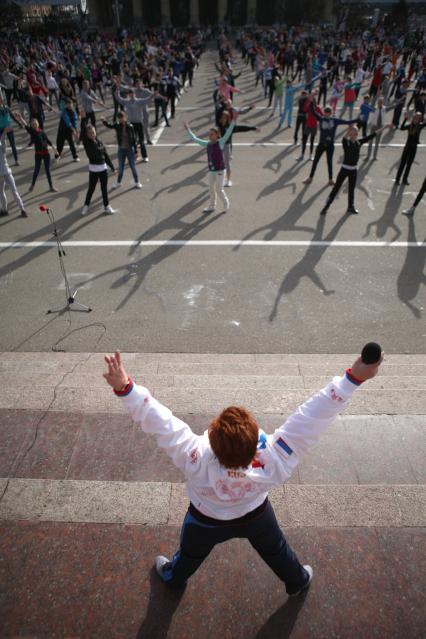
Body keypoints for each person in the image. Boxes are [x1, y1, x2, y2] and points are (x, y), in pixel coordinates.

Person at [102, 349, 382, 592]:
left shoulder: (195, 456)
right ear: (254, 441)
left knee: (189, 555)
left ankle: (174, 579)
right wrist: (352, 379)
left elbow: (160, 421)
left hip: (204, 520)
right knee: (276, 550)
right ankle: (297, 581)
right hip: (257, 516)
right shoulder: (275, 457)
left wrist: (126, 387)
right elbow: (312, 417)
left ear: (212, 438)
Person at [320, 124, 389, 216]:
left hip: (353, 170)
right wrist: (349, 130)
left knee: (351, 189)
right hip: (344, 169)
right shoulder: (346, 142)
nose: (355, 134)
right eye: (353, 132)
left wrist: (385, 127)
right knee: (336, 187)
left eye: (356, 132)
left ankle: (350, 207)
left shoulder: (359, 142)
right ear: (349, 133)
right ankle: (327, 205)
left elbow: (372, 135)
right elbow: (344, 138)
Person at [183, 114, 237, 213]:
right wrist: (188, 129)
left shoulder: (220, 142)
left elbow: (229, 132)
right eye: (209, 134)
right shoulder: (207, 144)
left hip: (220, 170)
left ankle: (226, 202)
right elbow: (195, 139)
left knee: (219, 189)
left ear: (217, 135)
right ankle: (212, 206)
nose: (210, 135)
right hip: (212, 170)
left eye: (212, 134)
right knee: (211, 189)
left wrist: (233, 121)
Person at [302, 106, 358, 186]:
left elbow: (347, 122)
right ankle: (310, 178)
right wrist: (311, 102)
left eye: (328, 114)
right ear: (324, 113)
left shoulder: (334, 120)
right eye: (325, 114)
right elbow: (313, 111)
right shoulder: (321, 119)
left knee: (329, 162)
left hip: (330, 145)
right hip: (321, 144)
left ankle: (331, 179)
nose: (326, 116)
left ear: (331, 113)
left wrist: (359, 119)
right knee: (315, 161)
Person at [15, 112, 58, 192]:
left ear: (38, 124)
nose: (34, 125)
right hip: (38, 155)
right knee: (36, 170)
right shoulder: (32, 132)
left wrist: (55, 150)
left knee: (47, 170)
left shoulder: (42, 132)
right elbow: (26, 126)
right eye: (33, 124)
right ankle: (32, 185)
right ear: (32, 125)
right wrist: (20, 118)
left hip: (46, 154)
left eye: (35, 123)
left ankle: (51, 186)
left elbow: (48, 141)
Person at [80, 123, 116, 216]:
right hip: (94, 170)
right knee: (91, 189)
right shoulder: (86, 143)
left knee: (104, 189)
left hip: (103, 169)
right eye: (89, 133)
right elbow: (83, 134)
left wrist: (112, 167)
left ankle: (107, 206)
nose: (92, 134)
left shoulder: (100, 142)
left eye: (93, 132)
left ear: (95, 132)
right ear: (87, 134)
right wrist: (83, 120)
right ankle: (86, 205)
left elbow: (106, 156)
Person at [218, 109, 259, 187]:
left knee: (227, 164)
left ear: (227, 118)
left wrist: (253, 128)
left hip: (226, 147)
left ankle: (228, 180)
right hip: (219, 147)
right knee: (220, 164)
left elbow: (242, 128)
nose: (223, 119)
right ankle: (221, 178)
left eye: (225, 117)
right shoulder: (218, 126)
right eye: (222, 117)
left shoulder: (230, 127)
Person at [102, 111, 142, 189]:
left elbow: (134, 139)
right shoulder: (117, 125)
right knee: (121, 168)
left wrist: (136, 151)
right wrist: (104, 121)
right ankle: (118, 182)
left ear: (125, 117)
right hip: (121, 150)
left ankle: (137, 182)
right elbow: (109, 126)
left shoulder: (130, 126)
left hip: (130, 149)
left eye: (122, 118)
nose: (121, 120)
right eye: (120, 119)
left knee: (133, 166)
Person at [114, 86, 152, 162]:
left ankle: (145, 156)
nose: (131, 95)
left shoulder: (139, 101)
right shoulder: (126, 102)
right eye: (129, 93)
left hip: (139, 123)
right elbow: (118, 98)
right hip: (131, 124)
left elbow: (148, 99)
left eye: (132, 93)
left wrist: (153, 95)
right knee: (132, 141)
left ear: (134, 94)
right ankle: (135, 155)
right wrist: (117, 89)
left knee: (141, 141)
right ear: (128, 95)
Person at [0, 127, 28, 218]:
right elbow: (3, 140)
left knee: (1, 192)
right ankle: (23, 209)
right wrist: (4, 132)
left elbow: (2, 139)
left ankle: (4, 210)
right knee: (14, 191)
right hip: (7, 171)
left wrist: (4, 132)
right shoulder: (3, 149)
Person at [395, 112, 426, 186]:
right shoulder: (410, 126)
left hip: (414, 148)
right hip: (407, 147)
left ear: (419, 120)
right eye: (415, 118)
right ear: (413, 118)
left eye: (418, 118)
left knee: (409, 165)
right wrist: (405, 119)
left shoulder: (420, 126)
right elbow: (402, 128)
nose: (416, 119)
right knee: (402, 164)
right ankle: (397, 179)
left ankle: (405, 179)